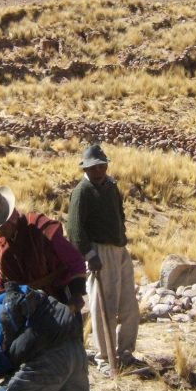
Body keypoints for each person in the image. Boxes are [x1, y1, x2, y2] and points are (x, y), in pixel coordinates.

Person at [67, 143, 139, 367]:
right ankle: (105, 358)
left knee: (129, 305)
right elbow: (74, 229)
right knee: (103, 307)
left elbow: (119, 214)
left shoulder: (111, 186)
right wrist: (89, 254)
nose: (98, 171)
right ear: (85, 169)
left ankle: (125, 353)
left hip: (119, 249)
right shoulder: (82, 192)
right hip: (99, 252)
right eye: (93, 168)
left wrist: (122, 235)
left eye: (101, 166)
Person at [0, 185, 88, 311]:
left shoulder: (43, 230)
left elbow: (74, 261)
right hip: (25, 308)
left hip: (59, 299)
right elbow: (0, 286)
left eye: (1, 227)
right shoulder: (0, 245)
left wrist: (76, 293)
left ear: (11, 217)